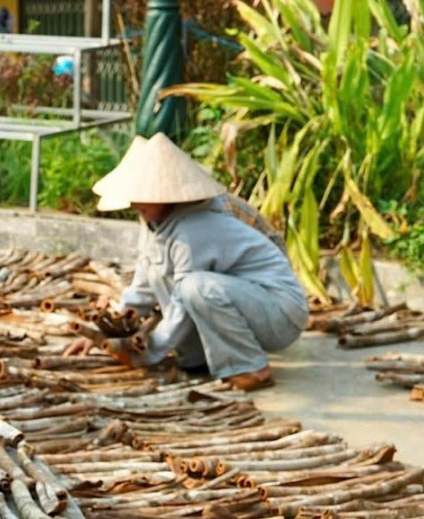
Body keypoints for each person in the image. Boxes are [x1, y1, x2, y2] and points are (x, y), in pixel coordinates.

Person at [70, 133, 308, 392]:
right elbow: (146, 279)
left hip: (279, 313)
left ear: (164, 195)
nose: (133, 203)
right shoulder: (156, 222)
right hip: (248, 301)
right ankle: (197, 359)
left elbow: (184, 301)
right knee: (174, 279)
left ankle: (251, 367)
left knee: (196, 287)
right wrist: (105, 333)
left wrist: (149, 353)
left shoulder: (194, 227)